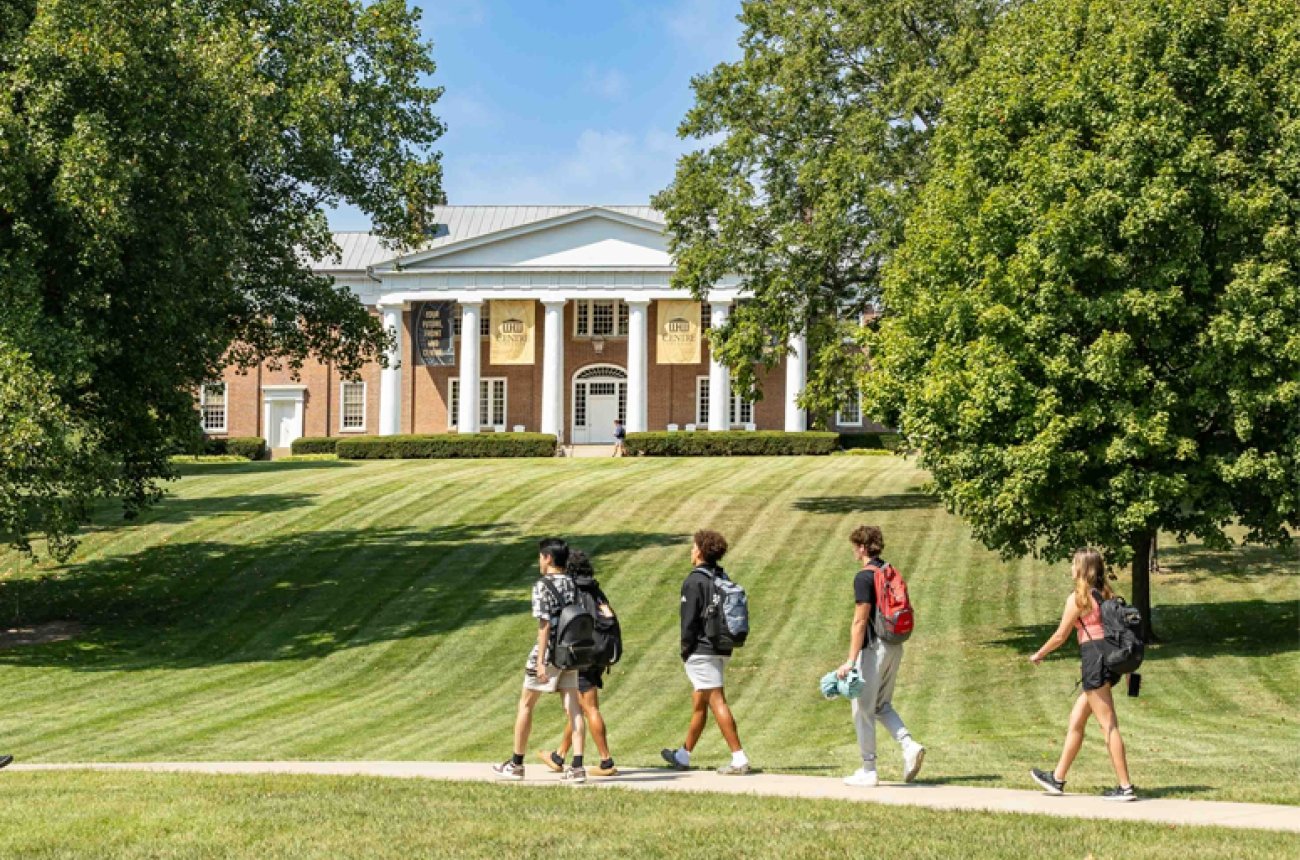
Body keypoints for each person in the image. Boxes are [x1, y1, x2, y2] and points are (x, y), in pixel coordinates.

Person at [1029, 548, 1137, 801]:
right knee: (1076, 719)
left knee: (1108, 724)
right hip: (1111, 662)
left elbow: (1060, 636)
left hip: (1095, 662)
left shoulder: (1079, 599)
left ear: (1082, 568)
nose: (1070, 568)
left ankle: (1125, 787)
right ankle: (1057, 778)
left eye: (1073, 564)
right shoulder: (1107, 595)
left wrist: (1039, 654)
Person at [492, 538, 587, 784]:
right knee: (573, 707)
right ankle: (577, 766)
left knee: (526, 704)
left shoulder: (542, 586)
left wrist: (541, 662)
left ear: (547, 558)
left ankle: (516, 763)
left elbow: (544, 626)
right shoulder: (573, 584)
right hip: (569, 652)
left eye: (540, 557)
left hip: (548, 653)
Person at [836, 525, 925, 787]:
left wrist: (851, 661)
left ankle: (869, 769)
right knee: (881, 705)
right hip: (894, 644)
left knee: (862, 708)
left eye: (855, 546)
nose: (854, 551)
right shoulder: (888, 570)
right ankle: (909, 746)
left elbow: (860, 621)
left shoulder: (864, 577)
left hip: (873, 649)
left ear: (862, 547)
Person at [661, 529, 751, 775]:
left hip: (701, 649)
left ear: (700, 551)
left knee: (716, 700)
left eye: (693, 547)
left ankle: (739, 758)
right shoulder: (720, 575)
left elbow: (688, 621)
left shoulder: (693, 581)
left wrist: (685, 650)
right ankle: (683, 754)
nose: (691, 551)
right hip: (722, 646)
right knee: (700, 702)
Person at [537, 549, 618, 777]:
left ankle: (606, 761)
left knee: (588, 707)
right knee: (578, 706)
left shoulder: (573, 591)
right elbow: (609, 619)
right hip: (598, 654)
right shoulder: (596, 590)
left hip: (580, 655)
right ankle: (559, 756)